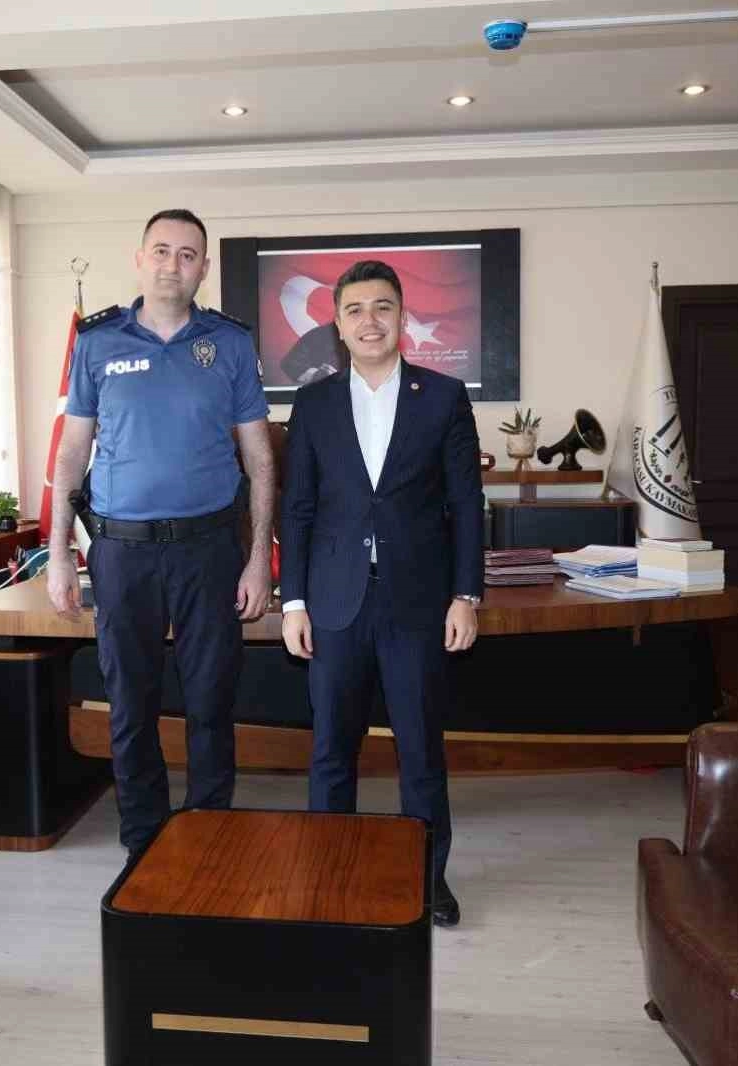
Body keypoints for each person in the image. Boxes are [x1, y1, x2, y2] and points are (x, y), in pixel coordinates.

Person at [47, 208, 274, 860]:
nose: (174, 264)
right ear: (140, 258)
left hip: (210, 550)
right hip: (122, 552)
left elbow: (260, 458)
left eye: (188, 254)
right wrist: (59, 553)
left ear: (204, 268)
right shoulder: (97, 342)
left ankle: (208, 834)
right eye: (163, 250)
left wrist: (258, 558)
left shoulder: (229, 344)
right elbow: (71, 454)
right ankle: (144, 844)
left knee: (210, 700)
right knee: (130, 703)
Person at [279, 259, 484, 927]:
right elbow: (298, 509)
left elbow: (466, 503)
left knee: (420, 751)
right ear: (338, 326)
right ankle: (329, 876)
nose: (370, 321)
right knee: (331, 752)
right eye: (355, 310)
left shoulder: (444, 397)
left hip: (418, 604)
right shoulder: (312, 404)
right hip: (333, 606)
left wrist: (466, 595)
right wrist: (293, 602)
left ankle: (428, 880)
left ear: (402, 317)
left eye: (382, 307)